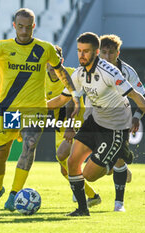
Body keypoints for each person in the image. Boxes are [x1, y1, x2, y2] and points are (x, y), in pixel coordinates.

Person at [0, 8, 80, 216]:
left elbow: (60, 71)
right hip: (9, 112)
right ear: (14, 26)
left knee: (29, 146)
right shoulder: (2, 48)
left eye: (28, 27)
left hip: (35, 110)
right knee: (0, 156)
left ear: (34, 26)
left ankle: (15, 194)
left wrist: (74, 93)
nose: (24, 31)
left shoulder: (45, 49)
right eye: (20, 26)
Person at [47, 32, 145, 216]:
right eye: (79, 51)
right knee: (72, 161)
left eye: (86, 51)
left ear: (96, 52)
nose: (81, 55)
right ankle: (82, 209)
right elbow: (62, 99)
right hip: (95, 120)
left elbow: (135, 94)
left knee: (89, 175)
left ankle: (116, 157)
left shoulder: (110, 72)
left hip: (116, 127)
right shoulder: (80, 73)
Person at [45, 45, 101, 207]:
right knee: (64, 169)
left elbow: (70, 102)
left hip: (76, 124)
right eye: (48, 60)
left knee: (62, 155)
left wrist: (70, 127)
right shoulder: (41, 79)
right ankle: (90, 195)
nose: (50, 63)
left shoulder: (71, 74)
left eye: (54, 59)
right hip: (59, 127)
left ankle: (87, 192)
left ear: (60, 61)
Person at [99, 34, 145, 211]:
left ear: (117, 52)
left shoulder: (128, 72)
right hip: (96, 118)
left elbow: (144, 97)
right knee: (96, 161)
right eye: (103, 53)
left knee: (118, 158)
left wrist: (136, 117)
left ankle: (118, 204)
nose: (106, 57)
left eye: (111, 53)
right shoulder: (91, 68)